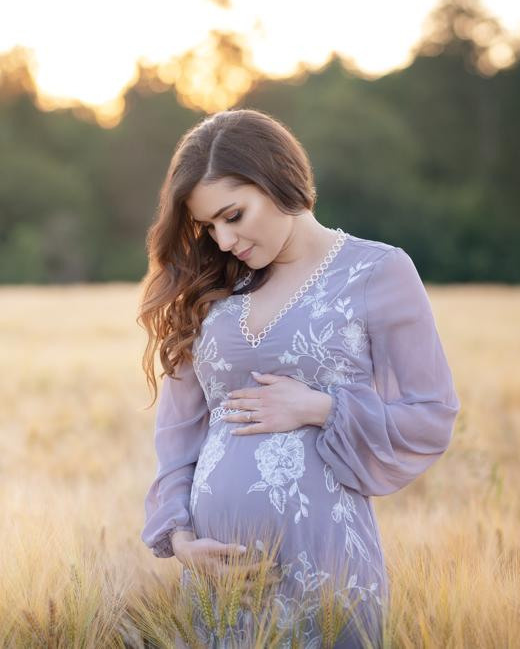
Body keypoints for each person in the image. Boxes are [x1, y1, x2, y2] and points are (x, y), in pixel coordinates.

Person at [137, 108, 460, 648]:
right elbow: (178, 431)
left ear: (274, 179)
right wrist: (182, 538)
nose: (222, 240)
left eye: (233, 215)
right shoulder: (213, 287)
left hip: (326, 566)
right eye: (209, 226)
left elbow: (431, 415)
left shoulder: (378, 272)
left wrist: (321, 408)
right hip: (222, 582)